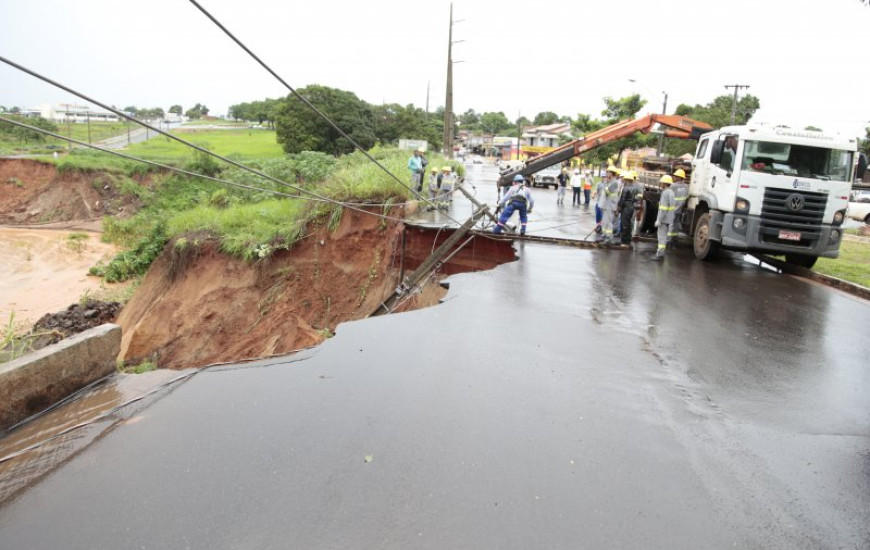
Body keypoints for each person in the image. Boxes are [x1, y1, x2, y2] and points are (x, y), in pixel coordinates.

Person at [650, 175, 675, 262]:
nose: (660, 184)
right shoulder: (671, 192)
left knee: (661, 237)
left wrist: (659, 220)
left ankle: (659, 255)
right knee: (664, 237)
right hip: (669, 218)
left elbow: (663, 209)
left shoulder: (665, 193)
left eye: (661, 182)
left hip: (664, 219)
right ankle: (660, 254)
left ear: (664, 183)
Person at [618, 171, 641, 245]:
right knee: (628, 224)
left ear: (627, 180)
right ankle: (628, 241)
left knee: (624, 225)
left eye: (624, 180)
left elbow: (622, 199)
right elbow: (637, 198)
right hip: (631, 207)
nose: (623, 181)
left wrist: (619, 207)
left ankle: (624, 242)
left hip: (625, 208)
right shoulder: (635, 188)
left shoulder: (626, 188)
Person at [598, 166, 621, 244]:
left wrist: (605, 183)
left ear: (611, 173)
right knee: (605, 222)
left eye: (608, 172)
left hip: (610, 205)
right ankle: (605, 235)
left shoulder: (614, 182)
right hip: (606, 205)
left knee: (608, 222)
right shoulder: (610, 181)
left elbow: (607, 191)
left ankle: (609, 238)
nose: (607, 174)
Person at [669, 168, 690, 247]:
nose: (674, 177)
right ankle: (674, 240)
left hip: (672, 209)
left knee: (670, 225)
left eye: (676, 176)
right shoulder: (686, 186)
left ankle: (669, 241)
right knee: (676, 225)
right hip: (679, 210)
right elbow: (687, 196)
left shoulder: (673, 186)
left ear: (679, 177)